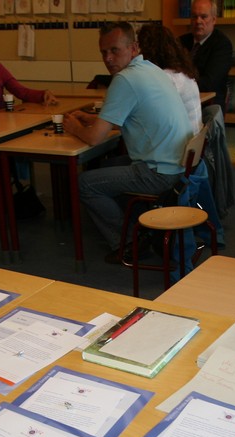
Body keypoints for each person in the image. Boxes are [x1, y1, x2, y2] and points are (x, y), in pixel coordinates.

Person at [64, 22, 191, 262]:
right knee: (106, 167)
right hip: (179, 166)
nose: (108, 58)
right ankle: (136, 227)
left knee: (84, 183)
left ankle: (128, 243)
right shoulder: (150, 69)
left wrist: (74, 128)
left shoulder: (124, 79)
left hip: (159, 173)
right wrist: (95, 120)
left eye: (114, 50)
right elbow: (134, 117)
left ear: (133, 48)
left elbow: (94, 138)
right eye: (103, 52)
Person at [137, 23, 202, 136]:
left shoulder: (165, 78)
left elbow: (146, 116)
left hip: (179, 143)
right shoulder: (181, 72)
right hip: (191, 141)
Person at [180, 0, 233, 111]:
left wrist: (178, 85)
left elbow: (209, 83)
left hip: (208, 108)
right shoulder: (180, 41)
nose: (198, 21)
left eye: (203, 17)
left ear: (214, 20)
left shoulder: (222, 45)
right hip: (182, 104)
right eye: (194, 16)